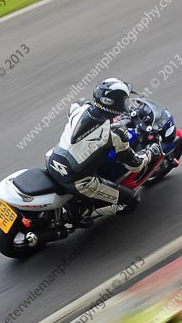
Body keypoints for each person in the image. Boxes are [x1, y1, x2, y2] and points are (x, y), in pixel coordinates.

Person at [45, 77, 161, 223]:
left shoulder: (79, 107)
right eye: (124, 100)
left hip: (52, 160)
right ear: (114, 103)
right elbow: (135, 165)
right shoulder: (116, 133)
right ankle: (86, 212)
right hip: (79, 182)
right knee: (131, 201)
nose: (127, 103)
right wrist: (151, 152)